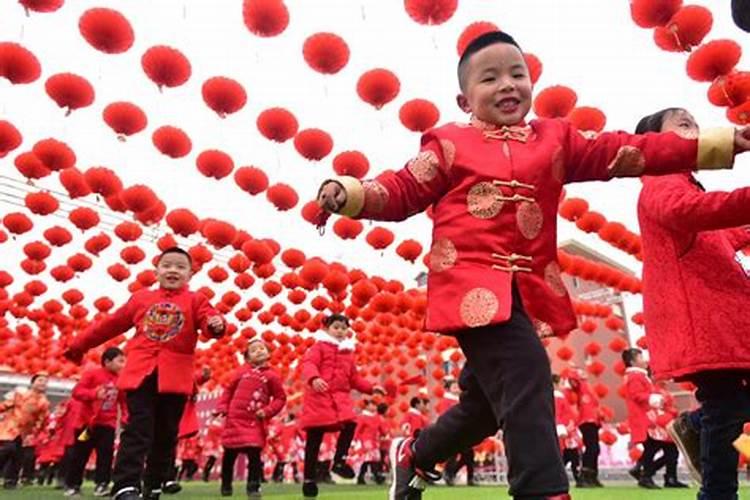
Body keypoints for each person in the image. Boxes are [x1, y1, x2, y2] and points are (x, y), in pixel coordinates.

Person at [317, 29, 750, 500]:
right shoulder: (447, 145)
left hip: (526, 289)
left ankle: (416, 454)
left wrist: (719, 143)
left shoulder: (556, 139)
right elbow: (402, 188)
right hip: (472, 289)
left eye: (516, 74)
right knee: (527, 378)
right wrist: (354, 193)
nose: (507, 84)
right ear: (465, 100)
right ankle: (542, 491)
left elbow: (628, 149)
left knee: (485, 407)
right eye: (490, 78)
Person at [635, 106, 750, 499]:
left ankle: (698, 425)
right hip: (702, 323)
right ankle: (717, 490)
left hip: (722, 321)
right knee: (728, 407)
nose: (695, 130)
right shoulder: (661, 180)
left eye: (695, 124)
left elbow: (728, 232)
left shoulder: (687, 184)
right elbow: (687, 211)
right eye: (683, 124)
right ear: (656, 144)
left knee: (728, 407)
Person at [64, 247, 226, 500]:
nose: (173, 270)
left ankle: (153, 484)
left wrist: (216, 325)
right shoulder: (140, 298)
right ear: (156, 271)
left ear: (190, 275)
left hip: (175, 379)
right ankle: (125, 487)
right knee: (137, 430)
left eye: (180, 267)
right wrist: (78, 346)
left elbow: (210, 320)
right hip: (140, 375)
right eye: (167, 265)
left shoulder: (197, 300)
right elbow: (109, 325)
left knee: (166, 434)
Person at [299, 313, 382, 498]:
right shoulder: (318, 347)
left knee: (351, 423)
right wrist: (314, 378)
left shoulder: (348, 354)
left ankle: (339, 462)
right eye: (336, 327)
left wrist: (371, 388)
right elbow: (309, 364)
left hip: (340, 398)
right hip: (319, 397)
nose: (340, 331)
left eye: (344, 328)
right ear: (326, 329)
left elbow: (354, 378)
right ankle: (309, 480)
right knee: (314, 439)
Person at [214, 338, 286, 498]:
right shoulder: (240, 373)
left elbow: (280, 398)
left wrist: (267, 411)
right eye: (254, 350)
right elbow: (228, 392)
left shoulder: (272, 376)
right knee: (229, 455)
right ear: (247, 357)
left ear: (268, 353)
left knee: (254, 455)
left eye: (262, 348)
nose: (259, 351)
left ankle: (253, 487)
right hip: (235, 420)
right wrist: (222, 408)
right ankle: (226, 484)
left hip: (254, 421)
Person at [63, 347, 126, 497]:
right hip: (87, 425)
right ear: (107, 361)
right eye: (120, 361)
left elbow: (123, 402)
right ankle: (73, 485)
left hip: (107, 425)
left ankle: (102, 485)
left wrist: (125, 419)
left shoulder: (121, 379)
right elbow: (77, 392)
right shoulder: (92, 374)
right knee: (80, 454)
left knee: (106, 454)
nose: (123, 364)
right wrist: (94, 394)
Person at [0, 374, 50, 490]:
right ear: (33, 383)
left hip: (26, 432)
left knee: (18, 456)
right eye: (40, 380)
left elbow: (41, 420)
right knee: (7, 449)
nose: (42, 383)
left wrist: (35, 433)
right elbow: (5, 405)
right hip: (11, 427)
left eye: (45, 382)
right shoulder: (20, 394)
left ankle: (11, 481)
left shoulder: (44, 402)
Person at [563, 368, 603, 487]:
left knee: (595, 448)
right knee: (592, 448)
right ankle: (585, 475)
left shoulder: (586, 385)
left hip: (593, 419)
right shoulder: (579, 385)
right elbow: (571, 384)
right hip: (586, 419)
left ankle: (592, 475)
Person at [438, 381, 475, 487]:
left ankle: (460, 475)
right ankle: (451, 474)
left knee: (468, 455)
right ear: (449, 389)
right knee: (455, 455)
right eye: (454, 387)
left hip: (464, 431)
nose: (457, 389)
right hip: (453, 432)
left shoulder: (460, 400)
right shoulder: (446, 401)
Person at [553, 375, 581, 488]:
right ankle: (575, 477)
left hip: (568, 430)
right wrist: (561, 428)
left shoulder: (559, 397)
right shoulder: (556, 398)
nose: (562, 386)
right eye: (560, 383)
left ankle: (575, 477)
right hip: (565, 432)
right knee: (568, 456)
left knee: (571, 456)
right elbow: (557, 414)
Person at [355, 400, 385, 485]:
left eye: (375, 405)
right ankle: (376, 476)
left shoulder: (377, 417)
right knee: (371, 459)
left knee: (370, 460)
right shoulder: (362, 417)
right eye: (372, 405)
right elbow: (357, 430)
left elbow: (382, 429)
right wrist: (354, 440)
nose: (374, 407)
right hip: (365, 441)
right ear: (367, 406)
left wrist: (385, 435)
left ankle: (361, 477)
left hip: (375, 441)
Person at [201, 415, 223, 483]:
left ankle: (206, 475)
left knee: (212, 460)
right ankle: (206, 475)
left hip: (215, 444)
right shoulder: (214, 425)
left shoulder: (214, 424)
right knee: (212, 460)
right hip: (214, 445)